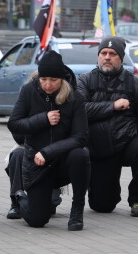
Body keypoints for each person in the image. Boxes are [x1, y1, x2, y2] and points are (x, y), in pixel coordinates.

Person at [8, 51, 90, 230]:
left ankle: (77, 210)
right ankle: (20, 196)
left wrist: (48, 151)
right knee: (37, 220)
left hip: (62, 161)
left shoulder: (74, 98)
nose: (47, 84)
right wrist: (43, 119)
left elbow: (80, 137)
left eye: (53, 80)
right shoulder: (28, 91)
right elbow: (14, 124)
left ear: (62, 79)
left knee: (81, 155)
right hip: (37, 163)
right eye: (43, 79)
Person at [77, 36, 138, 216]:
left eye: (112, 54)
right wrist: (112, 106)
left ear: (120, 58)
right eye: (103, 53)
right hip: (99, 147)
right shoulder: (85, 80)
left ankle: (137, 199)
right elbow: (80, 110)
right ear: (98, 56)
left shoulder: (134, 83)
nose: (107, 57)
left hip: (127, 142)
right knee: (102, 206)